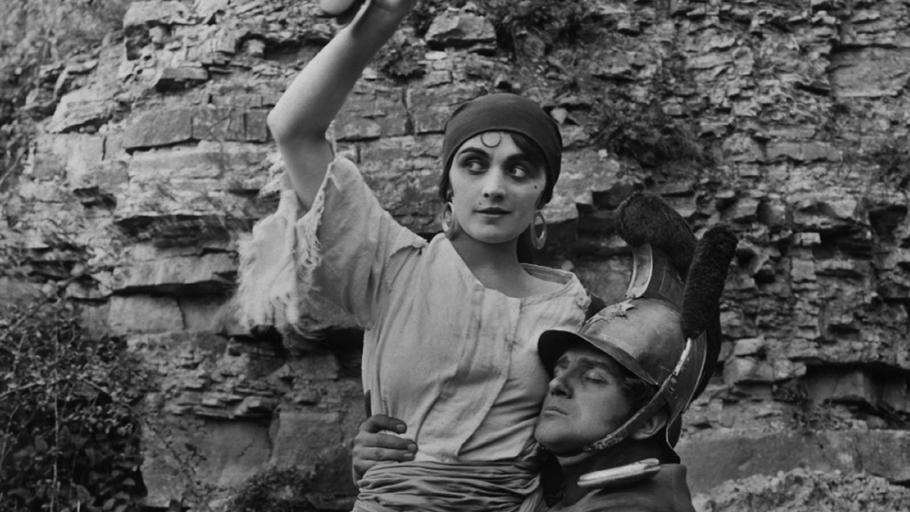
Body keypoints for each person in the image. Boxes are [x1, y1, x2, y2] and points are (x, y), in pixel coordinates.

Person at [234, 1, 595, 510]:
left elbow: (598, 447)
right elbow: (294, 129)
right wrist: (382, 17)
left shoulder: (577, 315)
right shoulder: (392, 268)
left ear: (543, 197)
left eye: (519, 170)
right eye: (474, 164)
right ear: (448, 187)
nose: (494, 187)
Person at [354, 199, 738, 512]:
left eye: (593, 378)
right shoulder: (571, 491)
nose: (557, 385)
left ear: (648, 420)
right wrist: (389, 469)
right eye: (559, 368)